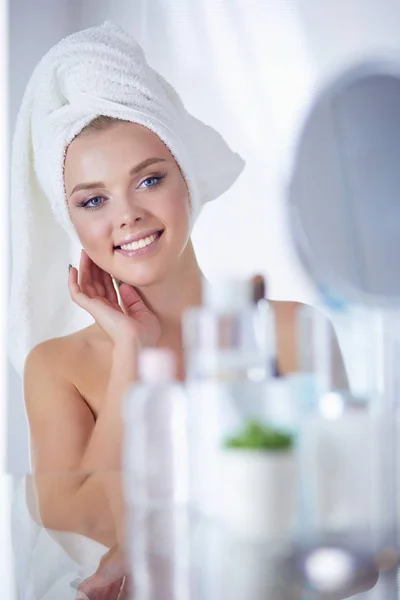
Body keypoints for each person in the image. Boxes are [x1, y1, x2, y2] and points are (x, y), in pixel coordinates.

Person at [9, 21, 343, 600]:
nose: (126, 215)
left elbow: (349, 523)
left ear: (186, 180)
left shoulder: (293, 331)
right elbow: (78, 524)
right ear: (72, 221)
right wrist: (129, 355)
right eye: (93, 199)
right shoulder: (56, 367)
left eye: (150, 180)